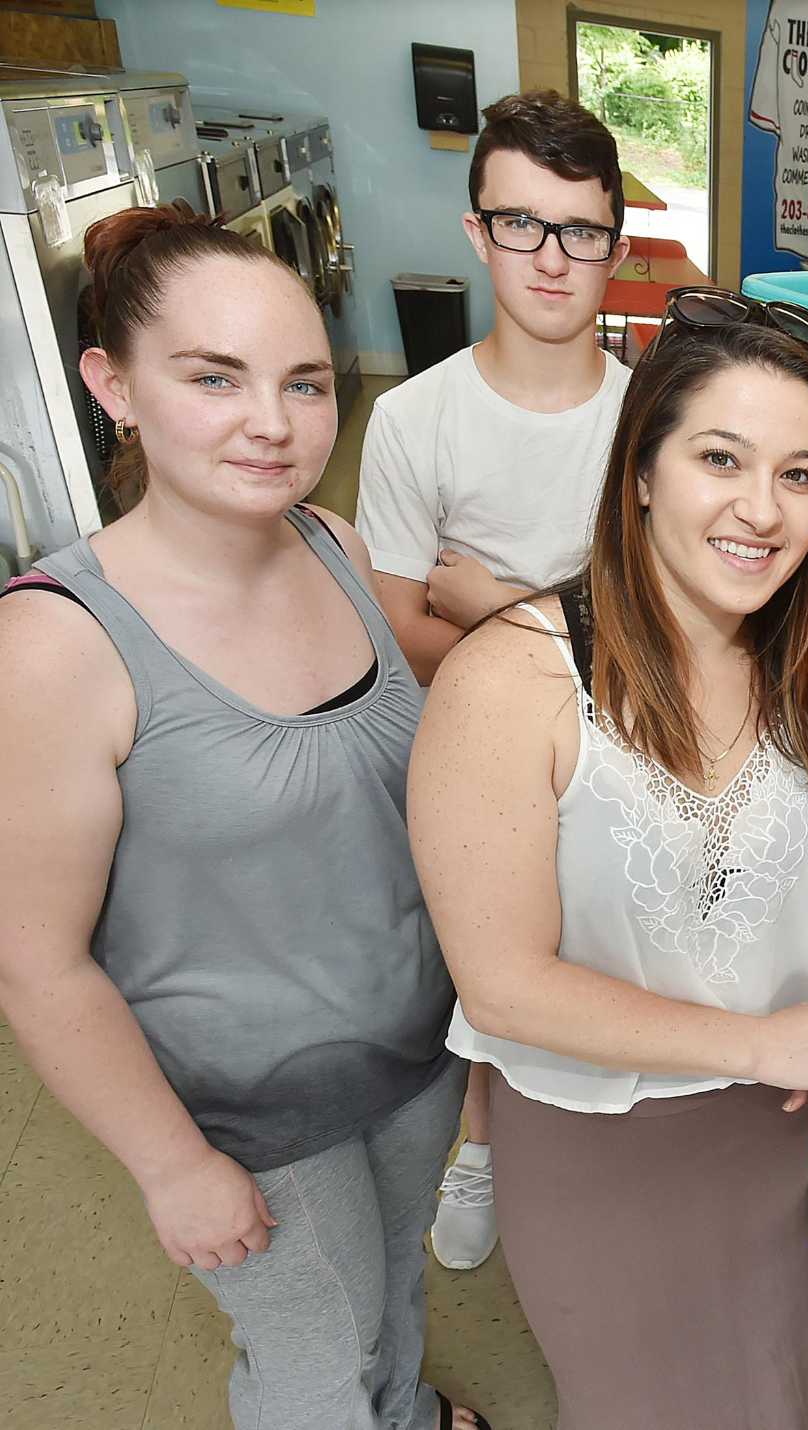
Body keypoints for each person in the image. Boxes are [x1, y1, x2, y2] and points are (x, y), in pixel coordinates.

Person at [0, 204, 487, 1429]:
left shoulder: (328, 540)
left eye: (306, 382)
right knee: (315, 1358)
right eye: (214, 377)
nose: (273, 424)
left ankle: (409, 1413)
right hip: (248, 1110)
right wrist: (173, 1165)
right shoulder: (54, 646)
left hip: (412, 1050)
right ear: (112, 384)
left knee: (390, 1290)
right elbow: (34, 959)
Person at [406, 300, 808, 1427]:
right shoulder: (512, 683)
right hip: (600, 1142)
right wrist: (763, 1040)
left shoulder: (805, 663)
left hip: (769, 1122)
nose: (762, 508)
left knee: (772, 1377)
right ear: (641, 469)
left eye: (799, 474)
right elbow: (501, 980)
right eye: (720, 458)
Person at [357, 88, 706, 1271]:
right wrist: (556, 634)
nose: (553, 259)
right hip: (486, 761)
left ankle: (587, 1148)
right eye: (522, 224)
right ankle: (481, 1134)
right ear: (474, 230)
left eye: (582, 231)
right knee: (496, 957)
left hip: (636, 748)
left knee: (609, 958)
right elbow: (404, 624)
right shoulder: (415, 420)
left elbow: (676, 620)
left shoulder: (653, 420)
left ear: (618, 241)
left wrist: (496, 603)